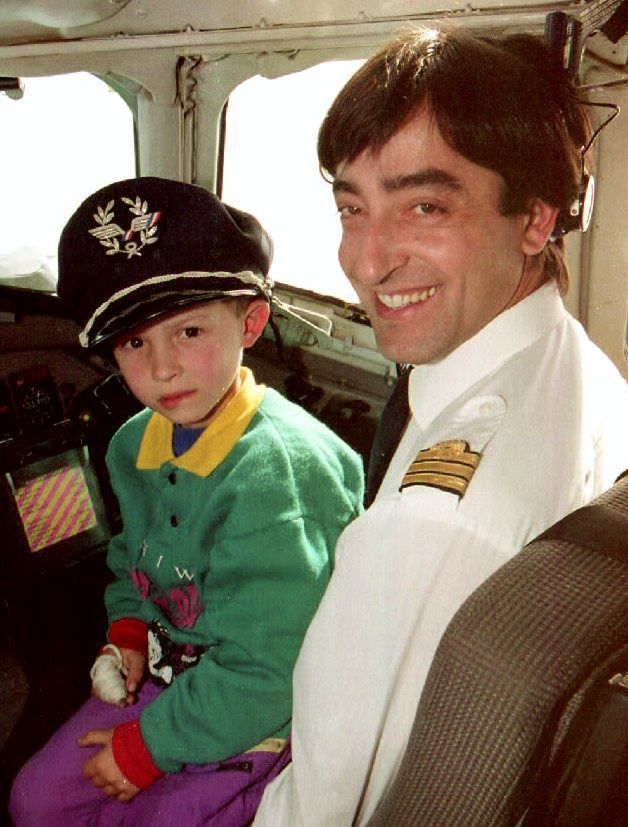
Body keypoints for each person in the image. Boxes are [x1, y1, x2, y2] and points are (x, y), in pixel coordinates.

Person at [253, 26, 628, 826]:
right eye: (351, 207)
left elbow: (322, 804)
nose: (366, 262)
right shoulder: (578, 368)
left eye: (424, 206)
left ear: (534, 219)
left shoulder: (429, 520)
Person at [9, 177, 364, 826]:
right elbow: (134, 563)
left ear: (249, 322)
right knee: (34, 801)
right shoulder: (132, 444)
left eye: (189, 331)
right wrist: (127, 635)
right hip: (168, 675)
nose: (161, 367)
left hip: (261, 709)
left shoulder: (277, 478)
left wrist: (144, 750)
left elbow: (270, 669)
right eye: (134, 342)